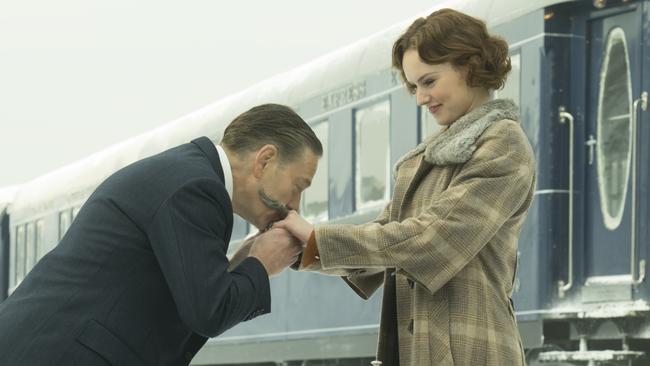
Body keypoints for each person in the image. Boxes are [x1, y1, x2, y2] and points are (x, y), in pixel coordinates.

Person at [275, 9, 536, 366]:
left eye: (429, 82)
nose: (420, 98)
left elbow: (433, 241)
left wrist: (318, 238)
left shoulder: (503, 145)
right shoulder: (423, 161)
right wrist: (299, 246)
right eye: (414, 87)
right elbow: (384, 239)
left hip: (471, 351)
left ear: (470, 67)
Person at [0, 103, 322, 365]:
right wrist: (261, 264)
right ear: (265, 160)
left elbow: (193, 299)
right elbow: (209, 313)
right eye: (299, 186)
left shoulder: (188, 174)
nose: (294, 206)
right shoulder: (197, 188)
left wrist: (242, 265)